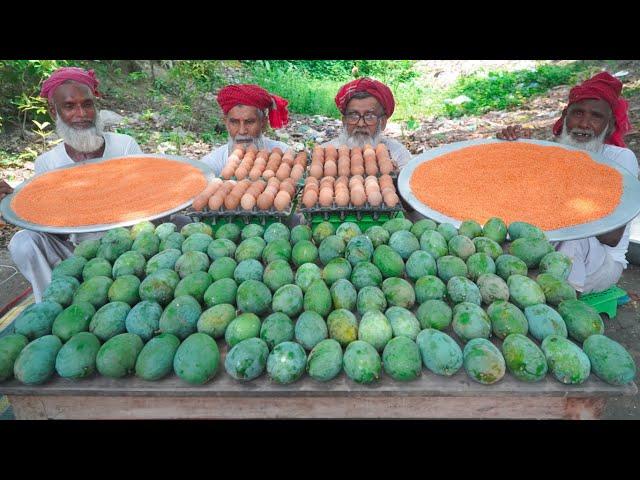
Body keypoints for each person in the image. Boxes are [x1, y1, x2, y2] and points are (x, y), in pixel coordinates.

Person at [7, 67, 143, 302]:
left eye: (87, 104)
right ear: (54, 111)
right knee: (23, 242)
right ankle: (53, 304)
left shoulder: (124, 147)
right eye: (69, 106)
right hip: (77, 252)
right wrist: (21, 202)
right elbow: (55, 231)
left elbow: (150, 201)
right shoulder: (47, 163)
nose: (81, 114)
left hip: (131, 246)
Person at [498, 72, 639, 294]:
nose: (584, 123)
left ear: (609, 125)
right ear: (565, 116)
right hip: (549, 249)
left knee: (576, 238)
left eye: (596, 117)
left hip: (599, 263)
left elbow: (611, 237)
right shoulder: (554, 153)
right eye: (578, 113)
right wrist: (512, 150)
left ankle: (561, 302)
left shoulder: (620, 159)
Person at [321, 77, 413, 169]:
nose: (361, 124)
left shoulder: (398, 154)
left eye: (369, 116)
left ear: (383, 122)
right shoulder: (324, 153)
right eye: (353, 116)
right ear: (344, 121)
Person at [201, 84, 291, 175]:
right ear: (226, 122)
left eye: (249, 122)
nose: (242, 131)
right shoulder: (212, 163)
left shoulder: (285, 154)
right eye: (234, 122)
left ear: (263, 123)